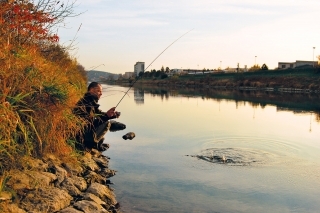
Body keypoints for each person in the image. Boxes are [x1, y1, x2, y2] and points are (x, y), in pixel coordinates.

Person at [74, 82, 126, 151]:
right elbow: (90, 124)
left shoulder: (90, 101)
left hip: (83, 133)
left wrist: (111, 115)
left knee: (105, 125)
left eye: (101, 91)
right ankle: (90, 145)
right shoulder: (86, 104)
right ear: (91, 90)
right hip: (80, 137)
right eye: (99, 91)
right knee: (106, 123)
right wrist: (107, 116)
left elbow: (99, 114)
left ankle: (95, 143)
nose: (101, 93)